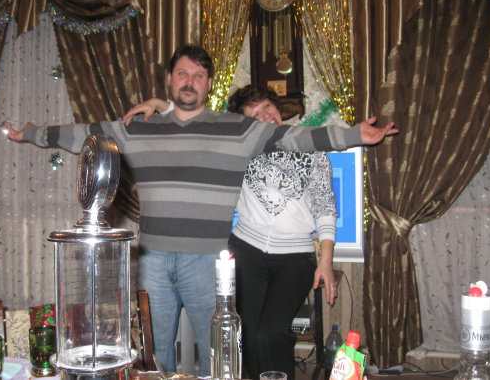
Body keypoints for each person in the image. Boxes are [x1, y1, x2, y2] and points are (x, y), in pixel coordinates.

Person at [5, 44, 397, 376]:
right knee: (156, 354)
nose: (189, 81)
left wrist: (353, 135)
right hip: (153, 259)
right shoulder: (139, 128)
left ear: (208, 84)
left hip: (206, 261)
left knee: (218, 357)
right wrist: (33, 134)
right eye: (182, 73)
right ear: (169, 80)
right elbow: (88, 135)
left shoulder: (238, 129)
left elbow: (295, 137)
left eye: (198, 75)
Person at [127, 84, 338, 379]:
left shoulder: (310, 148)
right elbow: (199, 127)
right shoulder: (239, 149)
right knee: (243, 333)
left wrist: (326, 261)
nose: (265, 117)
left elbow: (325, 206)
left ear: (277, 107)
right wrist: (161, 104)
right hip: (246, 251)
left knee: (270, 333)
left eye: (267, 107)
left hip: (295, 257)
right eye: (254, 115)